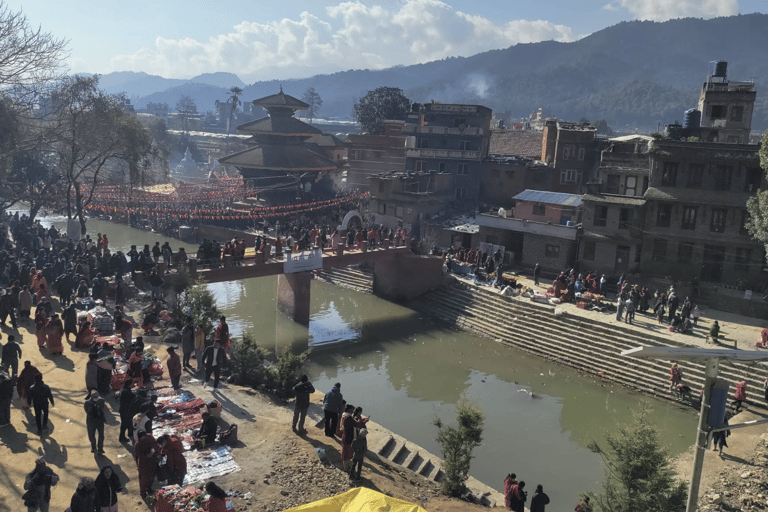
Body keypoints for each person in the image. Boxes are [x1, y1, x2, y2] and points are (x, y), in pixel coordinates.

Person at [133, 430, 160, 497]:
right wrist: (148, 455)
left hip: (152, 461)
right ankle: (143, 492)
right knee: (144, 478)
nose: (143, 439)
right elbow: (139, 455)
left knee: (152, 476)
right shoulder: (137, 444)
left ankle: (149, 489)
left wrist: (154, 450)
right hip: (143, 463)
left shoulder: (150, 437)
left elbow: (155, 445)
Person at [84, 390, 106, 454]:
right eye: (94, 397)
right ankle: (93, 446)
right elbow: (87, 411)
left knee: (101, 435)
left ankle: (100, 448)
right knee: (91, 435)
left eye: (97, 396)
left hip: (100, 420)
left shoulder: (101, 400)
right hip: (91, 421)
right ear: (91, 396)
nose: (96, 398)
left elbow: (102, 408)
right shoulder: (87, 402)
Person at [340, 404, 356, 471]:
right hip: (348, 437)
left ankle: (347, 465)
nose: (353, 411)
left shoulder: (344, 415)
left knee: (346, 451)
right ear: (349, 410)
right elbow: (355, 424)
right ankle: (346, 468)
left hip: (345, 435)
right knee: (346, 452)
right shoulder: (348, 417)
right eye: (352, 410)